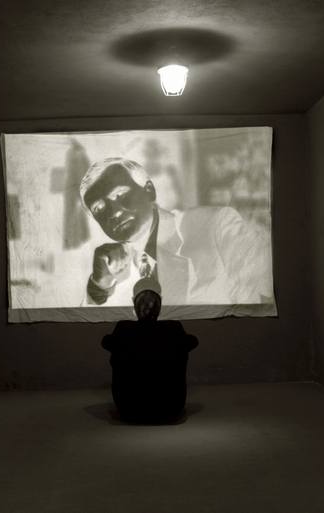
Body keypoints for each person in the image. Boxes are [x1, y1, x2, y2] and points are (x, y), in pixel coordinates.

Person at [80, 157, 273, 306]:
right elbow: (89, 334)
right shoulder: (110, 273)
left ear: (149, 190)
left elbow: (266, 302)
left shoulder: (217, 224)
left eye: (120, 194)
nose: (113, 212)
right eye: (98, 208)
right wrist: (99, 286)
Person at [101, 281, 198, 423]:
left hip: (129, 410)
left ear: (134, 306)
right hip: (170, 409)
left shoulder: (123, 330)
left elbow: (106, 342)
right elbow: (193, 341)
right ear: (159, 308)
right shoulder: (173, 329)